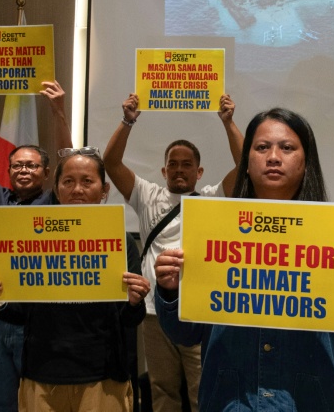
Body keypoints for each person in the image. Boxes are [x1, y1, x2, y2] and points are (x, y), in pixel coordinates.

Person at [153, 108, 334, 411]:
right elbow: (183, 333)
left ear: (306, 163)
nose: (274, 157)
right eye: (262, 147)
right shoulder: (209, 234)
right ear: (246, 162)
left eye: (287, 147)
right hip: (232, 402)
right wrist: (171, 292)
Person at [102, 93, 243, 412]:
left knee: (202, 389)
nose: (179, 170)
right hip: (155, 312)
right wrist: (127, 121)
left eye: (187, 165)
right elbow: (110, 163)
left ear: (199, 172)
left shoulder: (213, 198)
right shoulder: (147, 195)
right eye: (173, 165)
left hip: (198, 310)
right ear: (164, 171)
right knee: (162, 390)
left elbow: (246, 166)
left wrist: (228, 123)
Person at [0, 148, 150, 411]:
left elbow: (130, 319)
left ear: (104, 190)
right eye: (68, 181)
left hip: (102, 375)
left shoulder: (121, 240)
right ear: (57, 191)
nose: (77, 189)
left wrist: (135, 301)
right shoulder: (31, 238)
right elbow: (19, 311)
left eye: (87, 181)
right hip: (41, 373)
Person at [0, 80, 72, 412]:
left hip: (38, 323)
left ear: (46, 174)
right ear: (8, 171)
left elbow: (67, 163)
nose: (23, 170)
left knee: (39, 406)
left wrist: (58, 112)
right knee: (1, 405)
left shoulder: (53, 201)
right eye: (17, 165)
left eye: (31, 165)